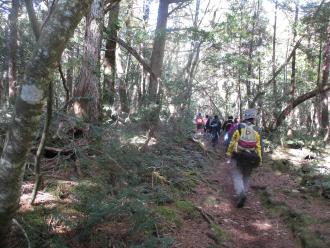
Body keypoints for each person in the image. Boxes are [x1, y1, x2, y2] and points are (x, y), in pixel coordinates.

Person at [226, 109, 263, 208]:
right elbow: (259, 147)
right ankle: (243, 194)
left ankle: (240, 193)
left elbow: (232, 142)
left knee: (236, 174)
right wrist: (259, 160)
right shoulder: (257, 130)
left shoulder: (238, 127)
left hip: (237, 155)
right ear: (253, 118)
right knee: (247, 175)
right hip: (250, 157)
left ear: (245, 117)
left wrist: (229, 153)